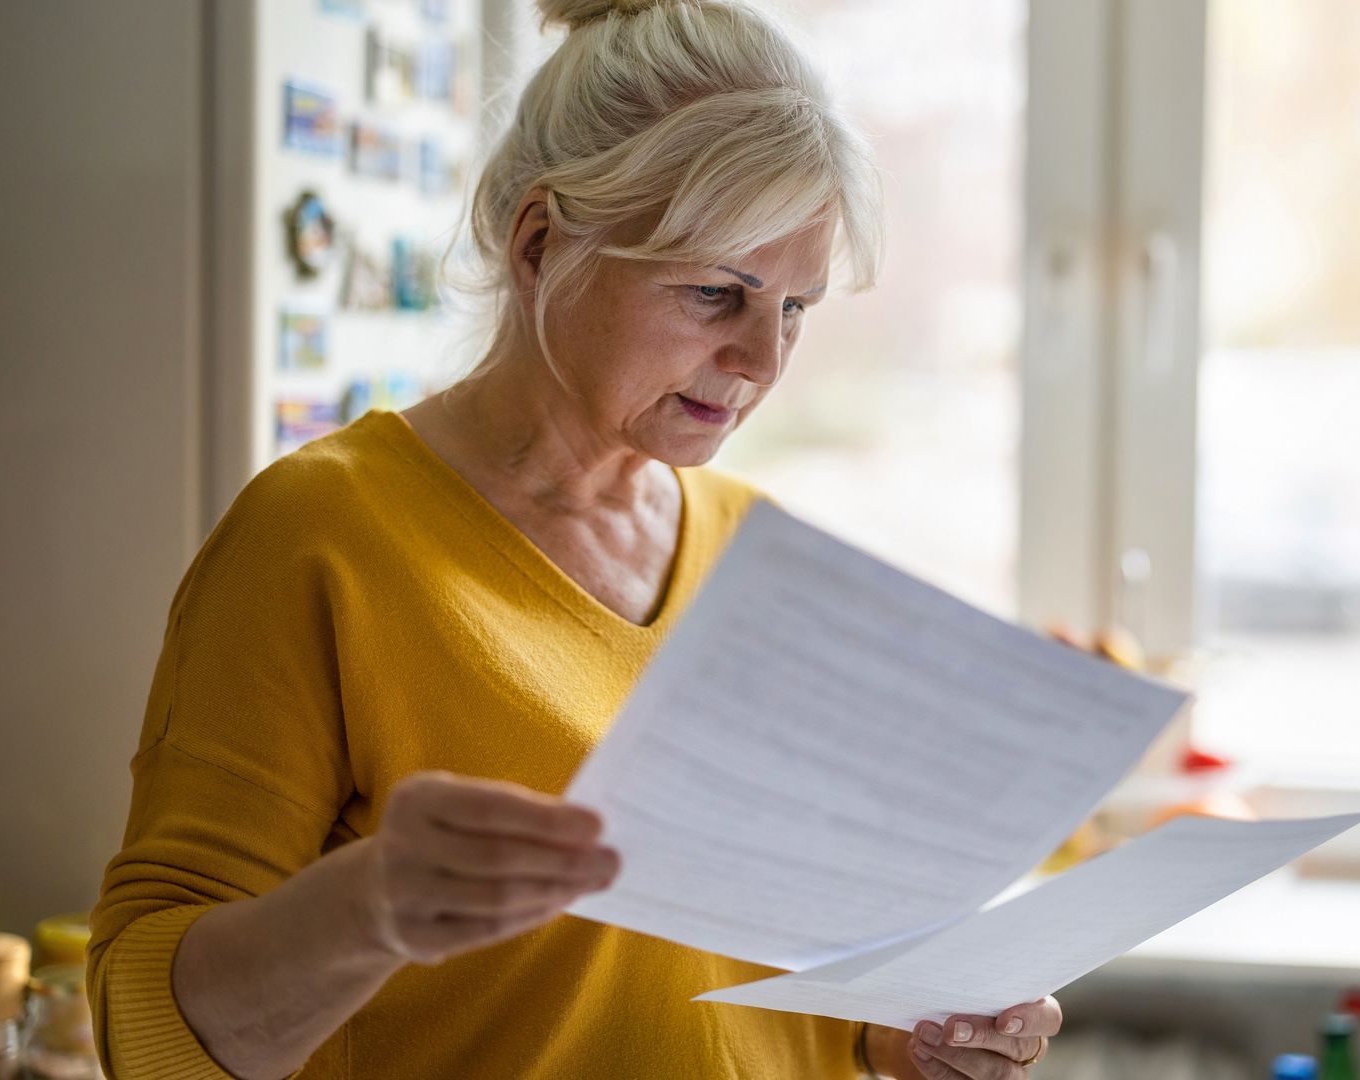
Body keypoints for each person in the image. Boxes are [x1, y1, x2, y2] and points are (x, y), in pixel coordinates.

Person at [88, 0, 1062, 1076]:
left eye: (793, 308)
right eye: (715, 293)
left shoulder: (758, 552)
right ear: (540, 242)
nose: (762, 361)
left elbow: (745, 981)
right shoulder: (322, 537)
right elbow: (147, 1023)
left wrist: (898, 1034)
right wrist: (366, 909)